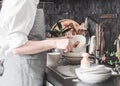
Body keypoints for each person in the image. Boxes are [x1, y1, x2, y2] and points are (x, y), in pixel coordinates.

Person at [0, 0, 73, 86]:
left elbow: (22, 39)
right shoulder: (25, 1)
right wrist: (55, 43)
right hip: (23, 74)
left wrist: (59, 40)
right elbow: (18, 47)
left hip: (21, 71)